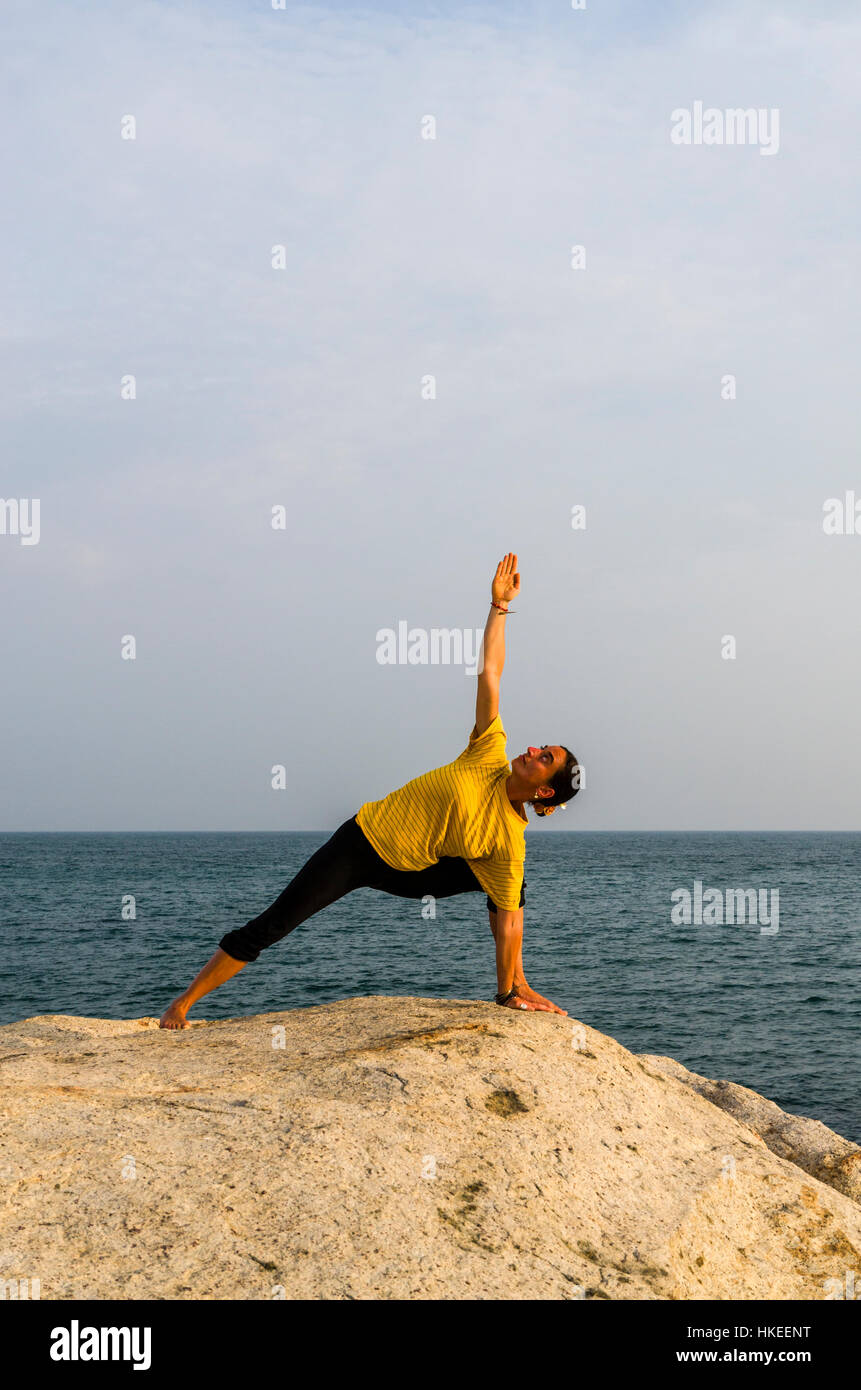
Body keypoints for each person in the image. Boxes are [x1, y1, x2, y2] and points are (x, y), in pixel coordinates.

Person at [159, 553, 580, 1029]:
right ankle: (182, 1005)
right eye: (542, 746)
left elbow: (509, 919)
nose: (532, 749)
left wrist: (510, 983)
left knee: (512, 886)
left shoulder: (508, 840)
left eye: (545, 759)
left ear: (544, 794)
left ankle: (512, 990)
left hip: (416, 873)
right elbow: (490, 674)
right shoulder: (488, 751)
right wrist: (498, 608)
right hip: (361, 843)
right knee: (274, 923)